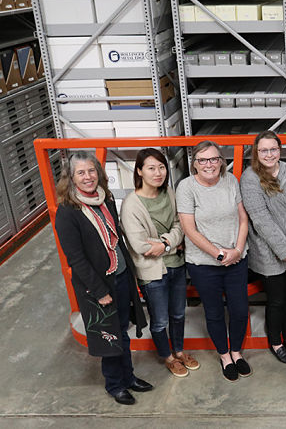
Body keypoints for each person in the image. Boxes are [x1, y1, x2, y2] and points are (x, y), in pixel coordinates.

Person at [54, 151, 151, 405]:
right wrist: (99, 291)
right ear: (71, 178)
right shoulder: (67, 212)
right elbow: (75, 259)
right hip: (97, 286)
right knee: (109, 336)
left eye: (91, 171)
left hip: (119, 277)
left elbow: (114, 236)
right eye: (81, 173)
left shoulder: (105, 199)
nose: (88, 177)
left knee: (123, 330)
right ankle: (114, 384)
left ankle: (128, 377)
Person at [120, 148, 199, 378]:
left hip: (176, 265)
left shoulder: (170, 194)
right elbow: (141, 246)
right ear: (139, 171)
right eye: (151, 168)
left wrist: (165, 246)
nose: (158, 173)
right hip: (152, 272)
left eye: (162, 167)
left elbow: (180, 224)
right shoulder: (131, 204)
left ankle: (180, 351)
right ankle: (168, 357)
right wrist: (172, 244)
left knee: (178, 314)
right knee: (160, 319)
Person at [177, 141, 251, 382]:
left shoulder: (230, 181)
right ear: (194, 164)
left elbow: (242, 218)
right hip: (204, 264)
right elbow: (190, 229)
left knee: (240, 310)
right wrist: (219, 254)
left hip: (236, 259)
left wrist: (238, 250)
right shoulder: (186, 187)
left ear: (221, 161)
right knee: (215, 312)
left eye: (213, 159)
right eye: (203, 160)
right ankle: (224, 355)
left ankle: (237, 352)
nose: (209, 164)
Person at [241, 131, 286, 364]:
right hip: (268, 250)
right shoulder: (250, 178)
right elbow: (260, 219)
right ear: (256, 153)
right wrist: (282, 248)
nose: (269, 154)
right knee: (277, 299)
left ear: (280, 150)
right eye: (264, 150)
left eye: (273, 149)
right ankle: (276, 343)